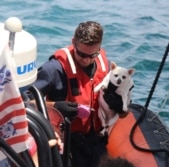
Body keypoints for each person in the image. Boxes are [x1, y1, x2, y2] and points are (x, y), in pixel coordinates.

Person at [32, 21, 115, 167]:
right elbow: (24, 101)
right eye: (82, 54)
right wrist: (56, 106)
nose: (87, 60)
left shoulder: (105, 66)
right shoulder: (54, 70)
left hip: (95, 140)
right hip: (66, 144)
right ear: (73, 43)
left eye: (93, 55)